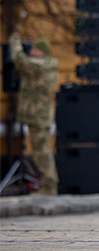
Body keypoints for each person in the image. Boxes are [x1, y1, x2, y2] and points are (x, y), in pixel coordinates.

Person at [8, 33, 59, 195]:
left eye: (35, 50)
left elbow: (19, 59)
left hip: (38, 116)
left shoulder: (40, 66)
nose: (31, 52)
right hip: (39, 115)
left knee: (42, 153)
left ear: (42, 51)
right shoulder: (46, 65)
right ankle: (48, 184)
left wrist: (14, 41)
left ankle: (49, 186)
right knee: (41, 151)